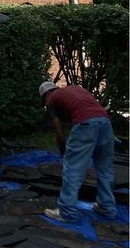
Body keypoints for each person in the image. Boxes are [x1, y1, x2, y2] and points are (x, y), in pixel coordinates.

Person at [39, 80, 116, 223]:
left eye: (44, 99)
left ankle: (67, 212)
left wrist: (64, 151)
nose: (46, 102)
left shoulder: (51, 99)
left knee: (73, 169)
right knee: (105, 169)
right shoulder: (75, 89)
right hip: (105, 124)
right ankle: (107, 208)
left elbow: (59, 130)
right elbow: (88, 111)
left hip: (86, 124)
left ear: (46, 94)